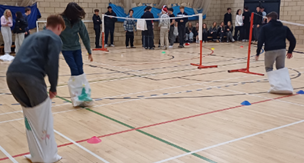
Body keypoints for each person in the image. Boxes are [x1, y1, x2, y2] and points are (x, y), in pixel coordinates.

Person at [6, 14, 65, 163]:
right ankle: (48, 156)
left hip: (11, 76)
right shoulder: (54, 38)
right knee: (43, 117)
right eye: (61, 31)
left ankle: (36, 154)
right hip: (31, 77)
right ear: (59, 27)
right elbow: (53, 63)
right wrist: (53, 87)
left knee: (30, 116)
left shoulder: (33, 36)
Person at [60, 2, 93, 76]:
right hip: (66, 49)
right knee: (74, 69)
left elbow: (85, 36)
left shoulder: (79, 22)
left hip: (76, 48)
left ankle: (81, 86)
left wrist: (89, 51)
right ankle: (76, 86)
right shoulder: (60, 20)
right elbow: (48, 29)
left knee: (80, 69)